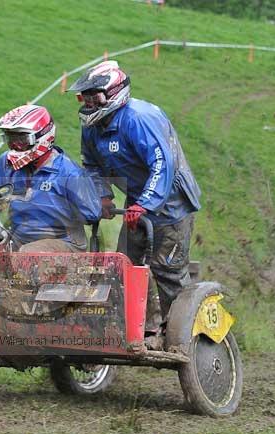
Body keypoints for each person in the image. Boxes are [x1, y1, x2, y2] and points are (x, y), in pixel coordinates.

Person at [69, 60, 201, 334]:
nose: (89, 103)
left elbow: (161, 164)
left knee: (167, 269)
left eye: (95, 96)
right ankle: (140, 327)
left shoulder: (139, 119)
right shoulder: (91, 128)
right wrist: (103, 196)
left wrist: (146, 203)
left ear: (114, 93)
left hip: (171, 203)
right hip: (137, 202)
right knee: (123, 264)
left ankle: (182, 334)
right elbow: (91, 165)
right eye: (86, 97)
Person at [0, 104, 101, 252]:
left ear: (43, 138)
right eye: (10, 138)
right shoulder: (6, 163)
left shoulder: (70, 173)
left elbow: (92, 213)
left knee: (29, 254)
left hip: (63, 242)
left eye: (21, 139)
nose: (14, 145)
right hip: (19, 238)